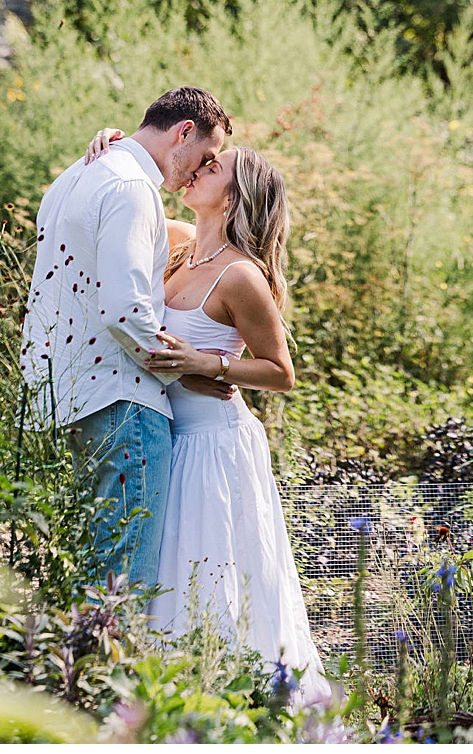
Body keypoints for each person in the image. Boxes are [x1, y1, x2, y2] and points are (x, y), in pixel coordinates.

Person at [19, 85, 233, 594]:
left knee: (88, 569)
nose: (199, 171)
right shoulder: (133, 188)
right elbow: (125, 308)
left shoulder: (78, 174)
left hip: (65, 394)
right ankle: (109, 673)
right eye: (204, 155)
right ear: (184, 131)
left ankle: (77, 672)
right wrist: (188, 370)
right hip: (123, 400)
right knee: (123, 580)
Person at [139, 145, 331, 703]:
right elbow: (126, 204)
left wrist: (208, 364)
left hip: (214, 446)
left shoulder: (241, 275)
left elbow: (280, 371)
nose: (197, 170)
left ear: (236, 194)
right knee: (172, 582)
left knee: (217, 582)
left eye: (212, 167)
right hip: (167, 438)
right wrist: (115, 144)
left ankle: (237, 706)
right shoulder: (177, 248)